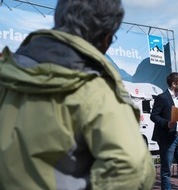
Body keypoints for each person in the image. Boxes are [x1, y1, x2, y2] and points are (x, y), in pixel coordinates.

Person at [0, 0, 156, 189]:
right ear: (106, 38)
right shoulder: (94, 91)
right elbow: (131, 167)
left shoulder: (7, 75)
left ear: (59, 18)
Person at [150, 72, 178, 190]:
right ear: (174, 83)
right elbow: (154, 116)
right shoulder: (162, 97)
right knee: (166, 170)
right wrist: (166, 123)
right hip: (167, 138)